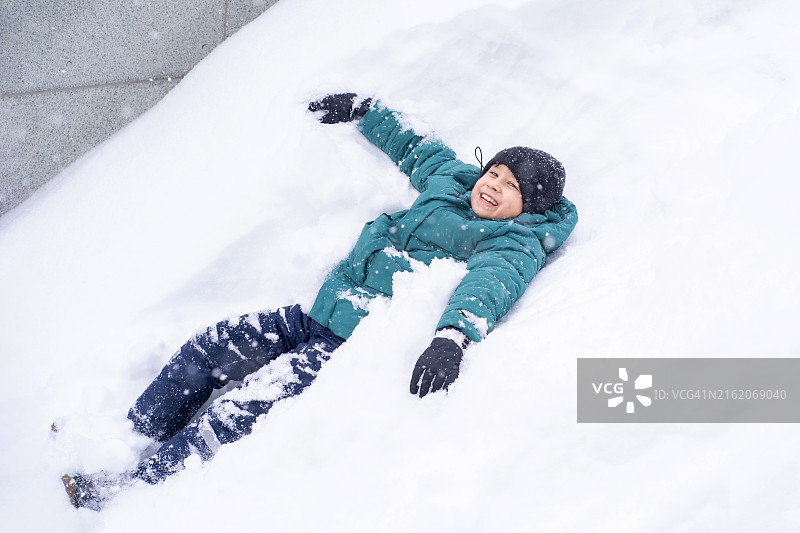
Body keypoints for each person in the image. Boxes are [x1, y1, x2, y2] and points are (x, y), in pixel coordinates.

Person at [62, 93, 579, 510]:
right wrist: (365, 111)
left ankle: (135, 489)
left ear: (528, 206)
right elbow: (418, 148)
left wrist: (451, 339)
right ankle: (129, 437)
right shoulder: (453, 181)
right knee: (209, 348)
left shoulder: (514, 242)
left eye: (510, 187)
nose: (493, 186)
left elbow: (488, 287)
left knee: (243, 408)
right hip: (314, 313)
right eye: (494, 172)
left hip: (348, 342)